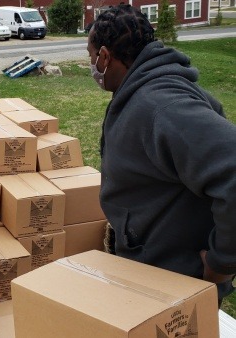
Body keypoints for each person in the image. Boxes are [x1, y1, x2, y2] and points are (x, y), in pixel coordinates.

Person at [87, 4, 235, 306]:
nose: (91, 67)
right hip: (154, 273)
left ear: (104, 56)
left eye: (90, 58)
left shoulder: (161, 106)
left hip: (176, 287)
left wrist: (221, 263)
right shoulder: (141, 90)